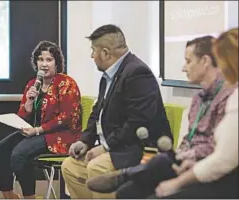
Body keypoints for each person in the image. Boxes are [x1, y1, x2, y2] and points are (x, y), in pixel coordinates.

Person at [86, 35, 236, 199]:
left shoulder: (228, 98)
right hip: (188, 161)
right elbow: (192, 137)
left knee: (157, 176)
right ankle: (128, 176)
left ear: (205, 61)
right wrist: (182, 156)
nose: (183, 69)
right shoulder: (198, 98)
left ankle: (128, 174)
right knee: (128, 190)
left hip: (210, 171)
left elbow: (218, 151)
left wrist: (184, 164)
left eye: (188, 61)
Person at [61, 24, 172, 199]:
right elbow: (97, 113)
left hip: (139, 148)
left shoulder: (137, 72)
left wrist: (106, 147)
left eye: (93, 50)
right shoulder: (108, 75)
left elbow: (139, 121)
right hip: (117, 146)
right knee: (70, 166)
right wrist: (85, 140)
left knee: (97, 167)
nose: (91, 55)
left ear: (105, 53)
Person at [0, 40, 82, 199]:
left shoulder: (66, 83)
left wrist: (38, 130)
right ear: (36, 63)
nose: (44, 64)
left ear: (56, 63)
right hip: (36, 133)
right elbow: (21, 117)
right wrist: (29, 104)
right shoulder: (32, 84)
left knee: (19, 154)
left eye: (49, 59)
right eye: (40, 59)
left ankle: (29, 198)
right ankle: (10, 196)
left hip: (62, 136)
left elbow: (67, 117)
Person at [155, 27, 238, 199]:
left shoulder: (232, 96)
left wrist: (180, 181)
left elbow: (224, 160)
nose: (218, 68)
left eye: (220, 60)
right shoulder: (207, 97)